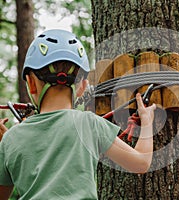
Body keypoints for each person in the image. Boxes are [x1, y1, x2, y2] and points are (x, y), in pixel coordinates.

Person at [0, 29, 156, 199]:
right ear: (82, 87)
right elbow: (141, 163)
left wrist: (9, 145)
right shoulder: (89, 124)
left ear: (30, 83)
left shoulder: (11, 138)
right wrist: (147, 122)